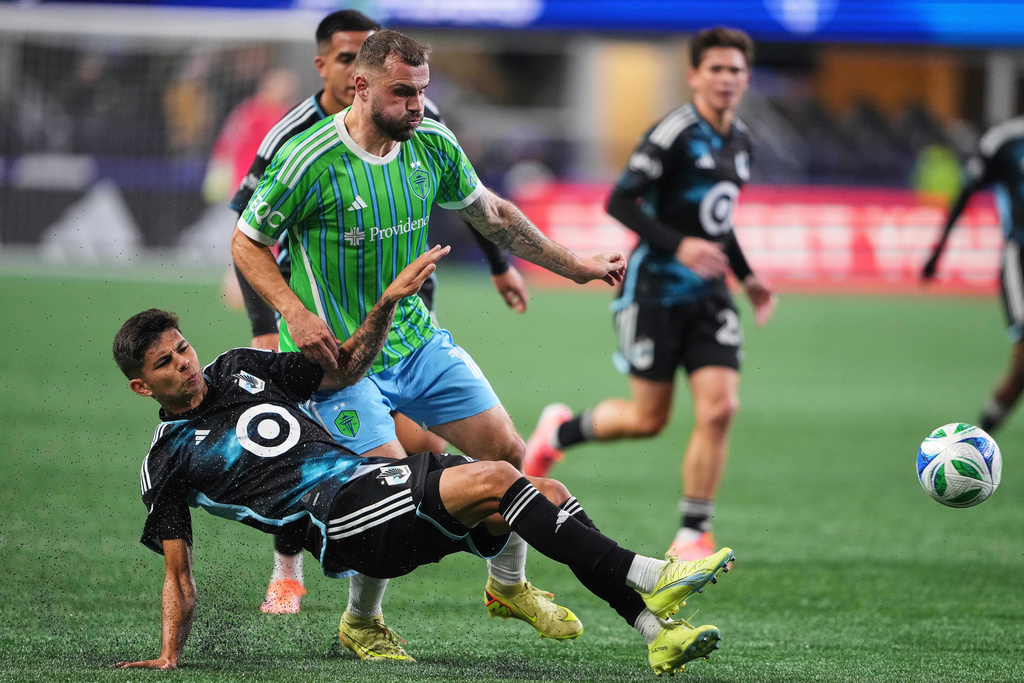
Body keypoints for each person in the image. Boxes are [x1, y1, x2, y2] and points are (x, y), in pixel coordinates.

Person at [231, 28, 625, 645]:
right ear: (360, 88)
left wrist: (574, 265)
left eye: (422, 92)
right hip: (340, 361)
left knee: (508, 451)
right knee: (385, 497)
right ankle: (363, 622)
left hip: (416, 342)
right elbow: (247, 241)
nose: (417, 106)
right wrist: (291, 312)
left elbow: (491, 214)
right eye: (402, 93)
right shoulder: (307, 159)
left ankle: (508, 585)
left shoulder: (431, 144)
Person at [110, 300, 735, 675]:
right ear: (142, 388)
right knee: (497, 474)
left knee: (539, 489)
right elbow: (178, 576)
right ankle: (650, 573)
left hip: (369, 490)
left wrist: (381, 310)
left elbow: (331, 369)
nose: (184, 365)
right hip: (336, 522)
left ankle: (657, 634)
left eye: (182, 349)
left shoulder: (238, 367)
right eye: (164, 364)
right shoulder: (165, 464)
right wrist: (170, 656)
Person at [523, 27, 776, 562]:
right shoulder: (674, 134)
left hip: (709, 295)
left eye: (736, 70)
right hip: (654, 293)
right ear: (694, 76)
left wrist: (747, 276)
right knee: (648, 419)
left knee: (720, 408)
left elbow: (720, 222)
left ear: (747, 78)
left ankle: (692, 533)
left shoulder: (742, 141)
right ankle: (560, 432)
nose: (727, 79)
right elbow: (621, 202)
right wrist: (679, 246)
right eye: (716, 69)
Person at [922, 115, 1024, 433]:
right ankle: (978, 441)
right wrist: (937, 252)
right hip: (1020, 258)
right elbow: (965, 194)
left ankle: (980, 438)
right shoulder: (1004, 141)